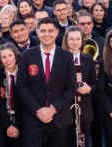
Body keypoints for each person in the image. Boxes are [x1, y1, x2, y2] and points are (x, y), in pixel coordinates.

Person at [18, 17, 76, 147]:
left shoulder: (67, 56)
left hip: (59, 118)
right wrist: (38, 110)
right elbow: (22, 87)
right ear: (37, 32)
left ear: (57, 32)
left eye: (50, 30)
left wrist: (53, 109)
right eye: (43, 31)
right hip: (33, 118)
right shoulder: (27, 55)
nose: (47, 34)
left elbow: (71, 88)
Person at [61, 26, 96, 147]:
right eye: (71, 39)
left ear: (82, 41)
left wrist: (89, 89)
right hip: (65, 109)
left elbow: (95, 84)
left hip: (84, 109)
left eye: (78, 39)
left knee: (83, 142)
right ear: (66, 41)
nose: (75, 42)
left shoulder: (88, 59)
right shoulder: (60, 59)